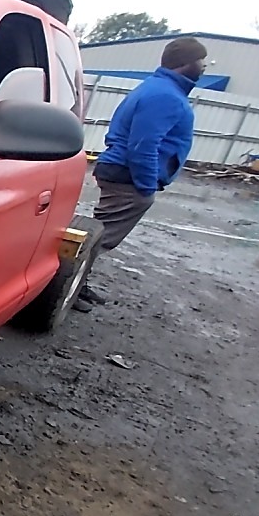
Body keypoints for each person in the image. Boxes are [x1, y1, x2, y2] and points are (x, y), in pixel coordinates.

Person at [77, 37, 207, 312]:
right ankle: (64, 286)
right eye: (201, 60)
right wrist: (147, 186)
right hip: (128, 176)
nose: (204, 66)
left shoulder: (160, 89)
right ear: (186, 63)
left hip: (122, 171)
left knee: (99, 234)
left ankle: (76, 283)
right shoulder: (165, 95)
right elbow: (144, 144)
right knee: (100, 238)